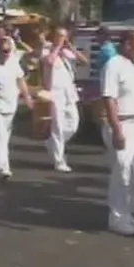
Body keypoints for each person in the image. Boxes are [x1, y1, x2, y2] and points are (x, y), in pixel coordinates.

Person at [101, 30, 134, 235]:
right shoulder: (114, 65)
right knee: (122, 172)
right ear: (127, 44)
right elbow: (109, 99)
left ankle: (126, 211)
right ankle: (117, 218)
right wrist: (117, 129)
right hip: (123, 125)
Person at [0, 37, 34, 178]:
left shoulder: (13, 62)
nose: (7, 54)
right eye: (4, 51)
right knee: (0, 135)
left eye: (9, 51)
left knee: (3, 136)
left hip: (10, 105)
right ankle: (4, 167)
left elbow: (20, 80)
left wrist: (27, 97)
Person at [43, 25, 89, 172]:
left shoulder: (68, 52)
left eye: (64, 36)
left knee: (73, 124)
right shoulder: (47, 50)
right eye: (59, 36)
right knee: (58, 126)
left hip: (70, 92)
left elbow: (84, 61)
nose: (62, 39)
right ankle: (59, 161)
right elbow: (49, 62)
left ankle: (52, 142)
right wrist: (57, 47)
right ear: (54, 37)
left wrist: (70, 47)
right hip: (55, 93)